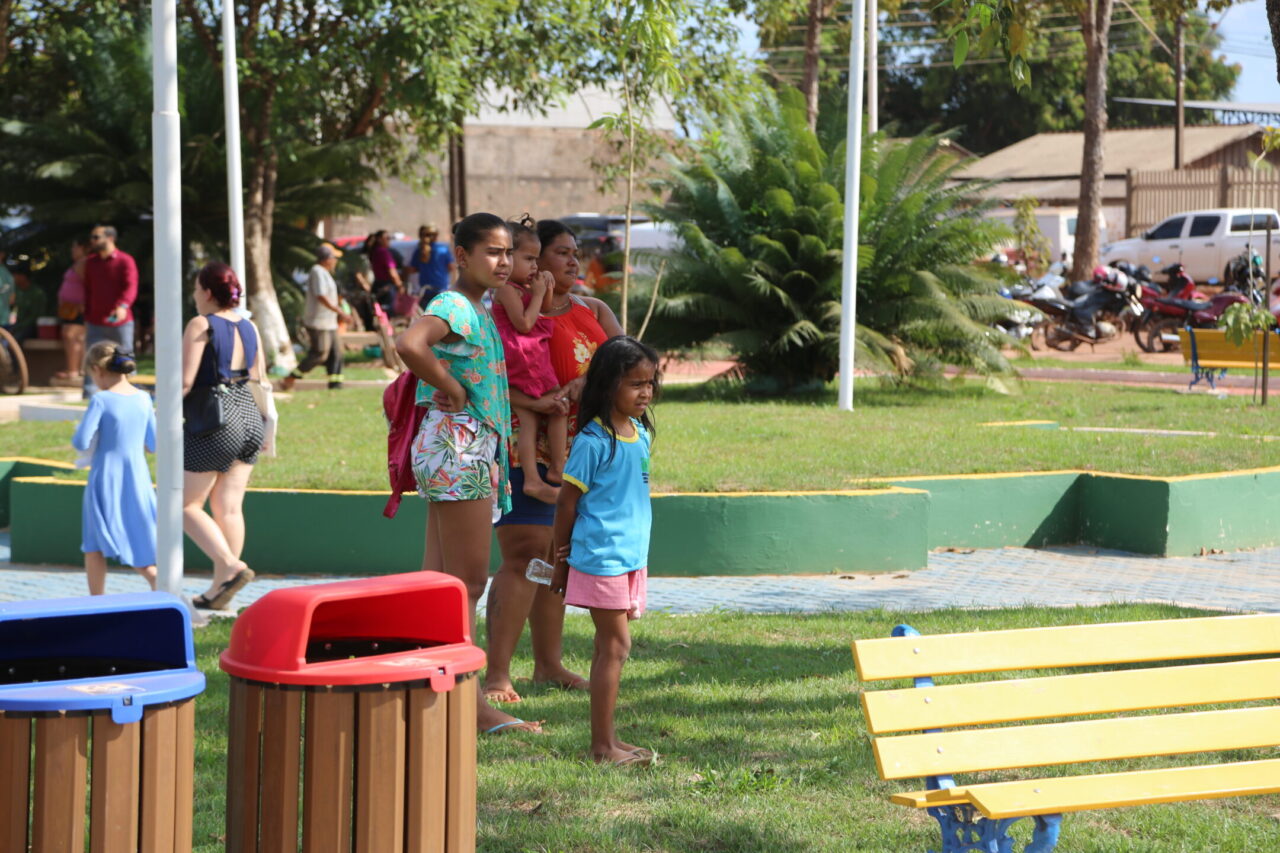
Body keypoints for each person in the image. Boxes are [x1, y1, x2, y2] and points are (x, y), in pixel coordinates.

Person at [394, 212, 534, 736]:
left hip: (457, 445)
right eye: (493, 252)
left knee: (438, 583)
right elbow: (409, 344)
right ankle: (471, 706)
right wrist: (451, 388)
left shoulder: (479, 306)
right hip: (459, 444)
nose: (504, 262)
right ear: (462, 256)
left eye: (508, 252)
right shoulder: (454, 304)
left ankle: (426, 689)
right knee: (467, 583)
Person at [482, 218, 623, 707]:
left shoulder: (593, 309)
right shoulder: (509, 313)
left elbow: (633, 365)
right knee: (525, 555)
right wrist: (541, 402)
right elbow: (492, 377)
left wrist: (592, 383)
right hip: (528, 450)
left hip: (582, 454)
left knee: (556, 557)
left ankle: (548, 664)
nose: (573, 260)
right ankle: (497, 674)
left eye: (574, 251)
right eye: (561, 252)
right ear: (533, 261)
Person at [550, 335, 660, 766]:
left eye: (649, 383)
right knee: (615, 646)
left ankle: (608, 740)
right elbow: (566, 504)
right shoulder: (592, 441)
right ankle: (600, 747)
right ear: (609, 384)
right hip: (602, 558)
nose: (645, 392)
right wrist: (560, 562)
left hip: (630, 557)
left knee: (608, 648)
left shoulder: (640, 434)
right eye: (635, 384)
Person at [182, 262, 265, 611]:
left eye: (196, 288)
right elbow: (259, 376)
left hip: (215, 419)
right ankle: (220, 589)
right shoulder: (249, 326)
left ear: (207, 292)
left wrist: (159, 412)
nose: (194, 295)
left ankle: (231, 567)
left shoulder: (201, 324)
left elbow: (185, 381)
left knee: (184, 505)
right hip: (250, 416)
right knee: (229, 507)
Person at [72, 342, 158, 594]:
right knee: (136, 534)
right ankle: (159, 584)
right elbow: (153, 444)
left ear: (97, 370)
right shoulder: (143, 398)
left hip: (105, 477)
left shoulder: (101, 400)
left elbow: (81, 441)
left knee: (94, 544)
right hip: (137, 477)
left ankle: (97, 601)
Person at [493, 216, 566, 503]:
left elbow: (543, 309)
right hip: (521, 358)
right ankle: (537, 478)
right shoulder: (506, 289)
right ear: (508, 258)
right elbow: (524, 324)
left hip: (534, 356)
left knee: (555, 408)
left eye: (537, 260)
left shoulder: (523, 288)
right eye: (528, 259)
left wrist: (545, 289)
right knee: (534, 416)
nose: (534, 266)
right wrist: (536, 295)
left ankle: (553, 469)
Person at [82, 225, 138, 396]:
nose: (92, 241)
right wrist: (87, 315)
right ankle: (89, 394)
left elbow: (131, 286)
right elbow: (88, 290)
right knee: (92, 357)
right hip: (95, 320)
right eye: (92, 237)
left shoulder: (125, 260)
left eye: (96, 237)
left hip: (121, 321)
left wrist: (123, 306)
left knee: (125, 355)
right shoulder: (91, 262)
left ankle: (130, 393)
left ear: (110, 238)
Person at [281, 243, 346, 390]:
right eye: (334, 258)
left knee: (336, 352)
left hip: (329, 321)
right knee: (320, 354)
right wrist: (339, 311)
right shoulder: (317, 271)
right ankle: (292, 377)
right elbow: (321, 295)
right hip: (319, 322)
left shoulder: (325, 272)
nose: (335, 261)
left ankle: (335, 384)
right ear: (327, 259)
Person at [56, 237, 90, 382]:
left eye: (75, 247)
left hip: (78, 308)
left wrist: (84, 303)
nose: (72, 250)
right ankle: (75, 369)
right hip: (69, 308)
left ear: (83, 248)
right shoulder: (78, 263)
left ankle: (74, 370)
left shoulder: (84, 263)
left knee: (72, 335)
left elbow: (89, 284)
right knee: (72, 336)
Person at [407, 224, 455, 307]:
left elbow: (412, 269)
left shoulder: (419, 251)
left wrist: (424, 268)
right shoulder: (443, 250)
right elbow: (451, 268)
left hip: (425, 290)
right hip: (441, 290)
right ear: (436, 236)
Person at [368, 230, 403, 317]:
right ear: (379, 239)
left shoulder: (375, 251)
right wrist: (400, 285)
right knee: (388, 314)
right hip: (386, 287)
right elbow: (392, 272)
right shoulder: (383, 252)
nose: (389, 240)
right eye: (387, 238)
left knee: (381, 313)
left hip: (378, 285)